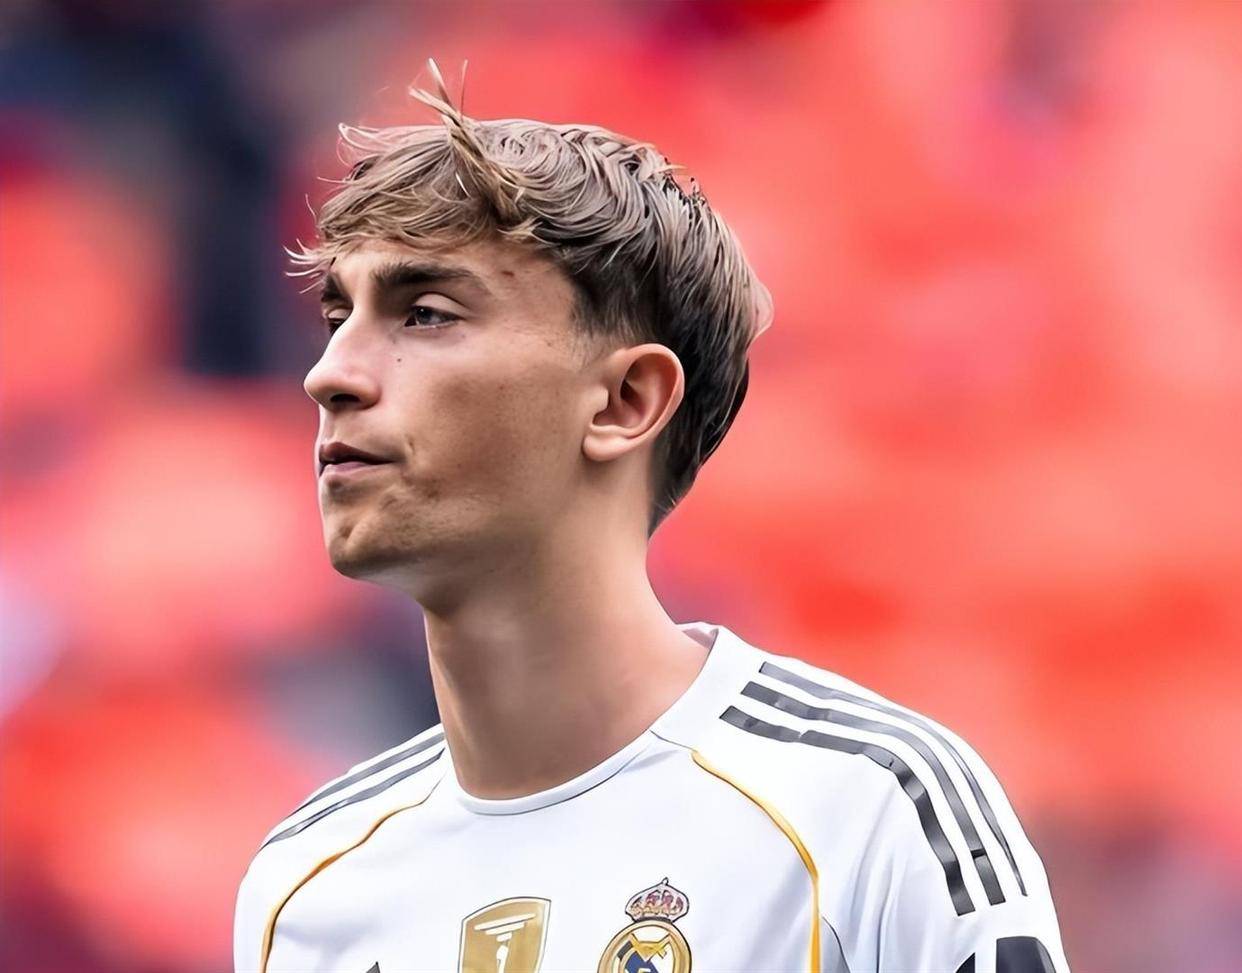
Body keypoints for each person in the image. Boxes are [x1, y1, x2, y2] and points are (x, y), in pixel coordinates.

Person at [233, 61, 1070, 973]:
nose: (329, 374)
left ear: (625, 400)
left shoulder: (868, 812)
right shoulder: (306, 886)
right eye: (337, 316)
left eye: (425, 314)